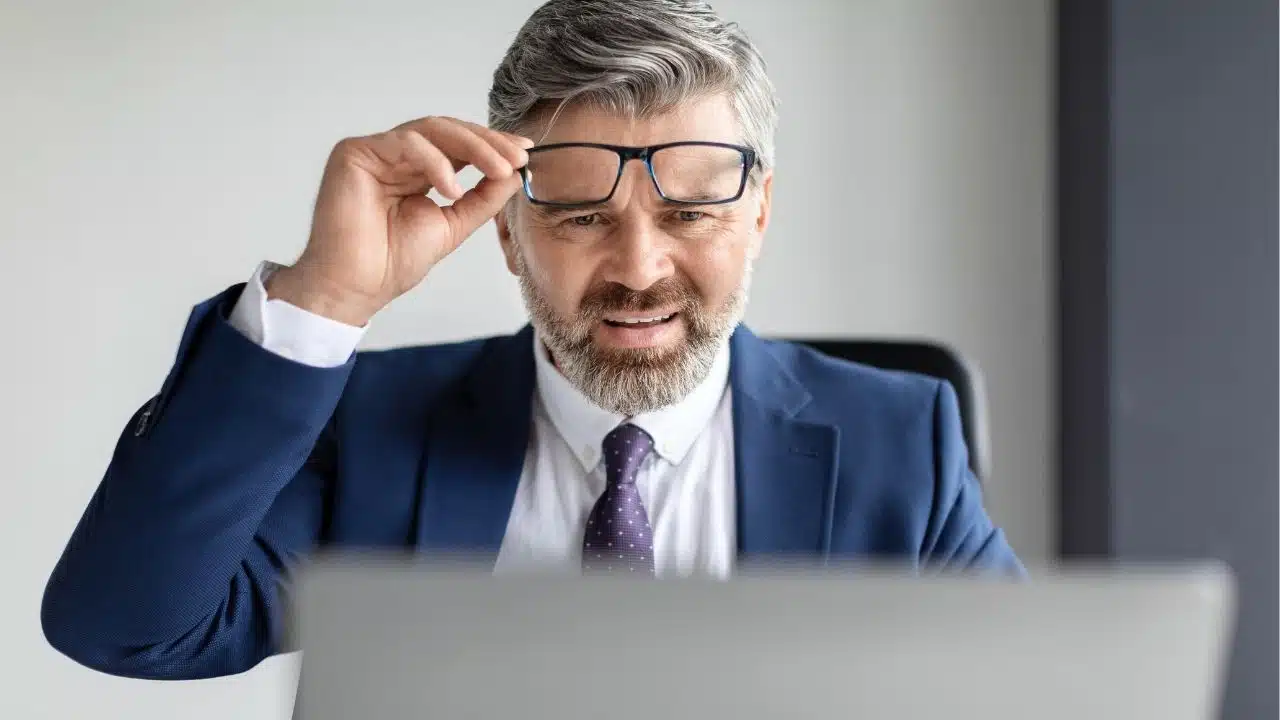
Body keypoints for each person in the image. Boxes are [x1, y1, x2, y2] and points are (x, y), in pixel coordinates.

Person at [41, 0, 1022, 681]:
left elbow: (1027, 695)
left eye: (687, 216)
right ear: (506, 230)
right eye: (583, 219)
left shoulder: (903, 436)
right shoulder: (372, 428)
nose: (638, 269)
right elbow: (127, 629)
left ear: (757, 215)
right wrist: (324, 295)